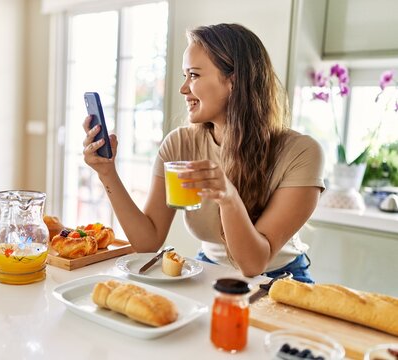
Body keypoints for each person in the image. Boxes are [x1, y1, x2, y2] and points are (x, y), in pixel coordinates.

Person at [82, 23, 325, 283]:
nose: (183, 88)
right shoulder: (180, 144)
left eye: (194, 75)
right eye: (184, 75)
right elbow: (147, 242)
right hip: (209, 270)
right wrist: (107, 172)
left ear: (234, 81)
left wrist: (228, 196)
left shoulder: (301, 153)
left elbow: (254, 263)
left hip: (279, 280)